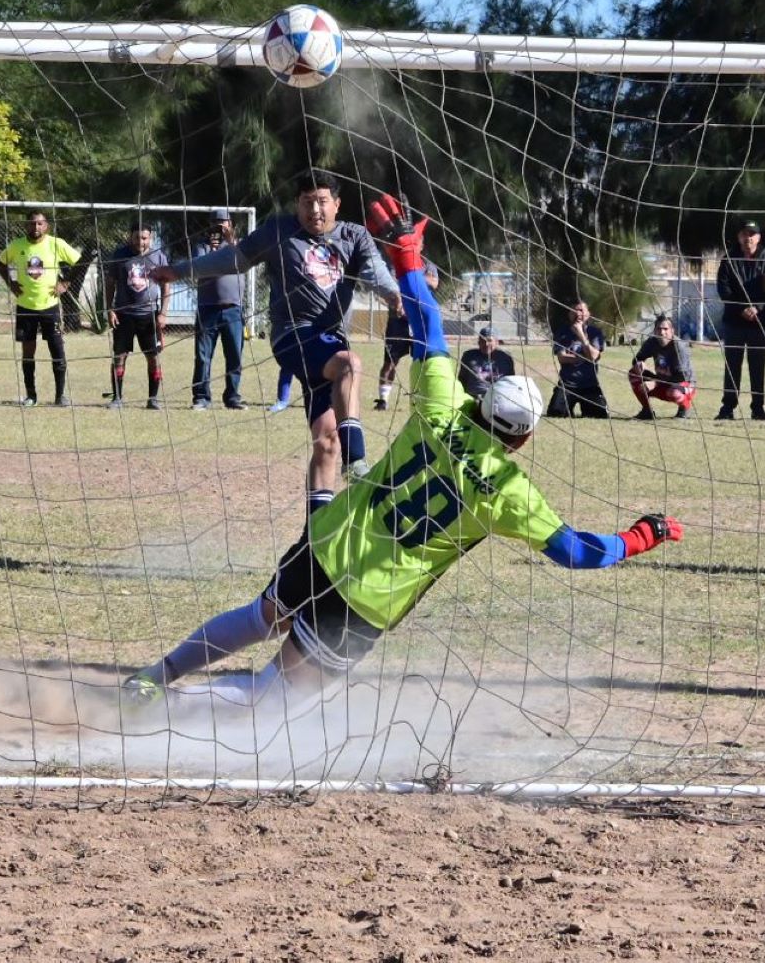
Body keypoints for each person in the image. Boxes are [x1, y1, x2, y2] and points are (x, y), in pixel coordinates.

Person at [123, 194, 682, 712]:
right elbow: (576, 552)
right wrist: (639, 537)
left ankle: (153, 676)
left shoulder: (441, 406)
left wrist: (409, 259)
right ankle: (165, 709)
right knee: (277, 699)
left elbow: (429, 324)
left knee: (259, 617)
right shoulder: (509, 492)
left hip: (331, 540)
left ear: (482, 399)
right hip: (370, 596)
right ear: (524, 438)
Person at [153, 172, 401, 515]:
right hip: (291, 335)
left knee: (327, 439)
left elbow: (376, 272)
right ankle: (357, 462)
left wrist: (392, 294)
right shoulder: (279, 230)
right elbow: (234, 259)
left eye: (322, 201)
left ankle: (316, 529)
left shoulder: (354, 235)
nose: (314, 209)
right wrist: (179, 271)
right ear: (297, 204)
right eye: (306, 202)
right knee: (350, 364)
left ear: (337, 204)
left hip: (330, 341)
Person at [0, 210, 82, 407]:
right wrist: (11, 284)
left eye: (39, 224)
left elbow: (79, 261)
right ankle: (31, 395)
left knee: (57, 350)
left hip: (50, 307)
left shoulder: (56, 244)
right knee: (28, 352)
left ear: (46, 226)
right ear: (26, 225)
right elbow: (1, 262)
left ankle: (60, 396)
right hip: (25, 307)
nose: (35, 227)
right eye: (32, 223)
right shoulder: (17, 246)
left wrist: (65, 282)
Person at [715, 220, 765, 420]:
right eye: (745, 234)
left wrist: (757, 307)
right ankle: (727, 408)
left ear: (759, 238)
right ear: (739, 237)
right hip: (734, 322)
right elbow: (723, 289)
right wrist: (741, 308)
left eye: (752, 234)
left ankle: (758, 408)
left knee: (757, 367)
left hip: (760, 323)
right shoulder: (729, 260)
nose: (748, 238)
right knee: (732, 366)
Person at [103, 218, 168, 410]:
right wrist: (110, 309)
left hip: (149, 315)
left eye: (144, 238)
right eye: (137, 238)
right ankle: (117, 398)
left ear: (151, 238)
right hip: (124, 315)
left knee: (153, 357)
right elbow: (110, 283)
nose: (140, 242)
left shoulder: (159, 257)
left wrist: (163, 313)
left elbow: (166, 286)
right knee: (119, 356)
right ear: (129, 237)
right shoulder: (119, 255)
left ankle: (153, 399)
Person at [189, 212, 246, 411]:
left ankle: (233, 397)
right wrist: (213, 253)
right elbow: (199, 270)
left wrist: (229, 245)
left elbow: (242, 263)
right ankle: (201, 397)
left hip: (233, 309)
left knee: (234, 356)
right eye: (215, 224)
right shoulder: (201, 247)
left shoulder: (238, 245)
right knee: (203, 356)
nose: (219, 228)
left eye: (223, 224)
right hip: (208, 309)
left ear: (231, 225)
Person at [376, 261, 439, 410]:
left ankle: (419, 399)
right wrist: (422, 278)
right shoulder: (395, 265)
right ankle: (383, 400)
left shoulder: (429, 265)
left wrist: (410, 277)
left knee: (421, 363)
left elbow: (434, 283)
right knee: (390, 362)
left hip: (419, 321)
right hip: (397, 321)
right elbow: (390, 286)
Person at [628, 313, 695, 419]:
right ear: (654, 331)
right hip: (662, 381)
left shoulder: (679, 347)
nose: (662, 332)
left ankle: (684, 409)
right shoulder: (652, 342)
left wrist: (655, 383)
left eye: (665, 329)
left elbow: (681, 376)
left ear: (672, 331)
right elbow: (637, 359)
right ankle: (647, 411)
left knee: (674, 393)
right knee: (633, 373)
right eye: (659, 329)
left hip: (683, 384)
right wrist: (639, 364)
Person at [550, 300, 609, 418]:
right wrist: (585, 357)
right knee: (555, 413)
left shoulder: (595, 333)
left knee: (599, 416)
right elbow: (562, 358)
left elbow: (593, 356)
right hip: (567, 385)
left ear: (588, 314)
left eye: (581, 310)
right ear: (569, 314)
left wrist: (581, 335)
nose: (578, 313)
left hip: (589, 385)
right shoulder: (562, 332)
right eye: (574, 310)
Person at [457, 327, 515, 398]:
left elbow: (511, 382)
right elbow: (462, 380)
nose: (486, 344)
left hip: (497, 398)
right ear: (478, 342)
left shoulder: (505, 357)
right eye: (482, 340)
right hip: (474, 398)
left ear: (497, 342)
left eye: (489, 340)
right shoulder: (469, 356)